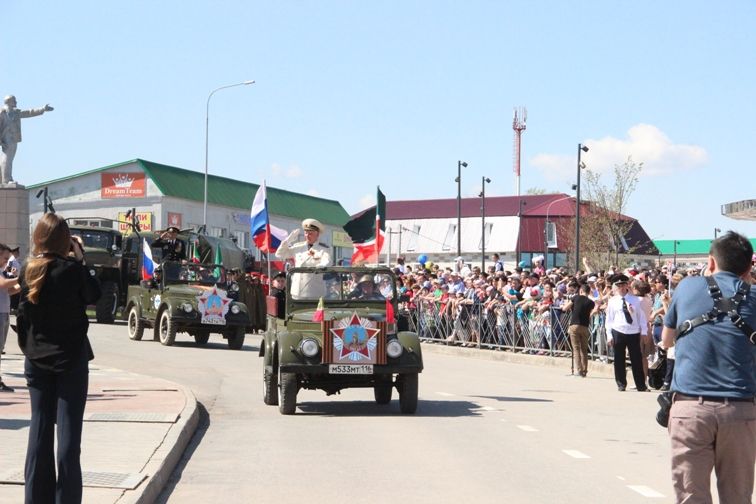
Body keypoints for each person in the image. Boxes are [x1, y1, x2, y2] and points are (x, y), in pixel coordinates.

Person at [661, 231, 756, 504]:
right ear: (750, 266)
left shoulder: (688, 287)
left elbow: (667, 340)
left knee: (692, 495)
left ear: (710, 263)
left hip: (691, 408)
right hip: (741, 409)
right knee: (738, 497)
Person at [16, 213, 102, 503]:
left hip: (37, 360)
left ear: (38, 238)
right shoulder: (73, 270)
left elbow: (23, 317)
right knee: (68, 437)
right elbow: (95, 295)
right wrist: (81, 260)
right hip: (71, 361)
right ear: (66, 241)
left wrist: (31, 348)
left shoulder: (27, 269)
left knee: (39, 430)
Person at [605, 273, 649, 391]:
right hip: (618, 330)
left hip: (633, 331)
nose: (620, 287)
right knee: (619, 359)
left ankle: (640, 384)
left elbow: (642, 317)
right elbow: (609, 319)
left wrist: (644, 331)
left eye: (622, 284)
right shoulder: (613, 301)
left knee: (636, 359)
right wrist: (609, 335)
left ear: (627, 285)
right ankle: (621, 383)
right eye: (618, 285)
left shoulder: (635, 300)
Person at [0, 95, 54, 185]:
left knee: (9, 159)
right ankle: (6, 180)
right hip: (6, 138)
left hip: (14, 138)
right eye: (14, 100)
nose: (16, 102)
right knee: (7, 158)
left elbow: (29, 112)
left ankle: (6, 177)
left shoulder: (16, 112)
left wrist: (42, 109)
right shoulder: (2, 112)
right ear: (9, 102)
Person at [276, 219, 331, 298]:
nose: (307, 236)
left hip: (313, 292)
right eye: (306, 233)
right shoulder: (298, 247)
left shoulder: (323, 249)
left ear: (317, 234)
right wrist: (288, 241)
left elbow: (327, 261)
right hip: (296, 292)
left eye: (310, 233)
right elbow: (279, 254)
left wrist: (321, 265)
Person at [562, 283, 595, 377]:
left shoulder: (576, 298)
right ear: (589, 292)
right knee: (584, 349)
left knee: (576, 349)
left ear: (581, 290)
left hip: (574, 325)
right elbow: (594, 309)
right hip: (585, 326)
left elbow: (565, 308)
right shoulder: (590, 302)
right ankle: (585, 370)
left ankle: (579, 370)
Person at [0, 243, 20, 391]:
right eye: (5, 258)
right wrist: (22, 277)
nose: (7, 261)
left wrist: (23, 285)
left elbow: (10, 290)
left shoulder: (4, 269)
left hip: (4, 312)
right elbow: (3, 284)